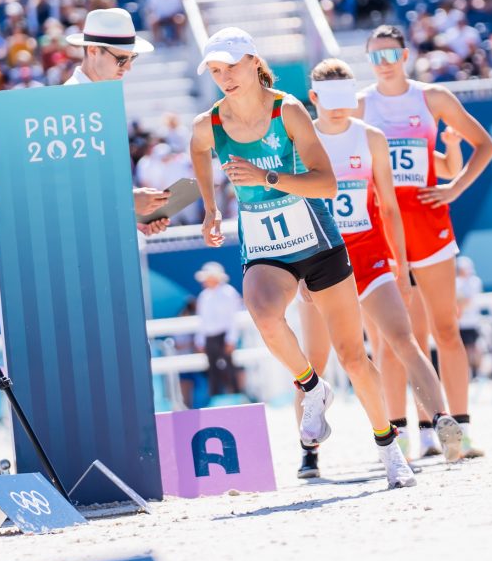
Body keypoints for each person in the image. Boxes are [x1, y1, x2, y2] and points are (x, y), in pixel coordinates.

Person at [189, 27, 416, 489]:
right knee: (263, 313)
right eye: (215, 71)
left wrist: (265, 176)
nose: (224, 77)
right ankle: (313, 388)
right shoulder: (207, 124)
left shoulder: (287, 110)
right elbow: (198, 151)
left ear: (254, 61)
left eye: (231, 66)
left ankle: (389, 449)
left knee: (354, 357)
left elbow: (326, 184)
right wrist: (211, 209)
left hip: (316, 238)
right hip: (266, 245)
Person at [294, 59, 463, 477]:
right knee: (314, 358)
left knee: (402, 337)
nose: (338, 109)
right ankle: (308, 451)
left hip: (368, 254)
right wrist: (296, 269)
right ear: (313, 99)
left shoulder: (370, 137)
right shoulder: (301, 140)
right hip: (318, 258)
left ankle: (443, 420)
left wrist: (401, 264)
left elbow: (388, 206)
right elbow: (294, 204)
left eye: (345, 100)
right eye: (329, 101)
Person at [356, 25, 492, 458]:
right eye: (375, 56)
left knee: (446, 328)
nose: (384, 62)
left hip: (428, 225)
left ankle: (462, 429)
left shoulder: (432, 97)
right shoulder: (360, 104)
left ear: (406, 54)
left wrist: (454, 188)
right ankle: (402, 437)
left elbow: (484, 146)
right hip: (381, 232)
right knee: (395, 339)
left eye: (391, 53)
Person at [64, 7, 170, 236]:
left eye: (132, 58)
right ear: (93, 51)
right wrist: (130, 203)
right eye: (122, 59)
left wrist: (134, 214)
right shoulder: (70, 101)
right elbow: (68, 190)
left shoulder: (98, 100)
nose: (129, 67)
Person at [194, 261, 243, 397]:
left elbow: (233, 318)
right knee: (212, 369)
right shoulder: (204, 296)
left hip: (224, 335)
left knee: (229, 367)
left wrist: (231, 339)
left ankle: (235, 395)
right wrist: (200, 340)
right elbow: (202, 320)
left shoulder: (228, 293)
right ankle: (215, 397)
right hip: (210, 337)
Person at [455, 255, 484, 378]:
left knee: (475, 348)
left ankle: (477, 373)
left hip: (473, 321)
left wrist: (460, 303)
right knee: (463, 350)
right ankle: (467, 374)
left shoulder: (474, 281)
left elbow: (466, 300)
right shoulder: (456, 282)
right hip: (461, 322)